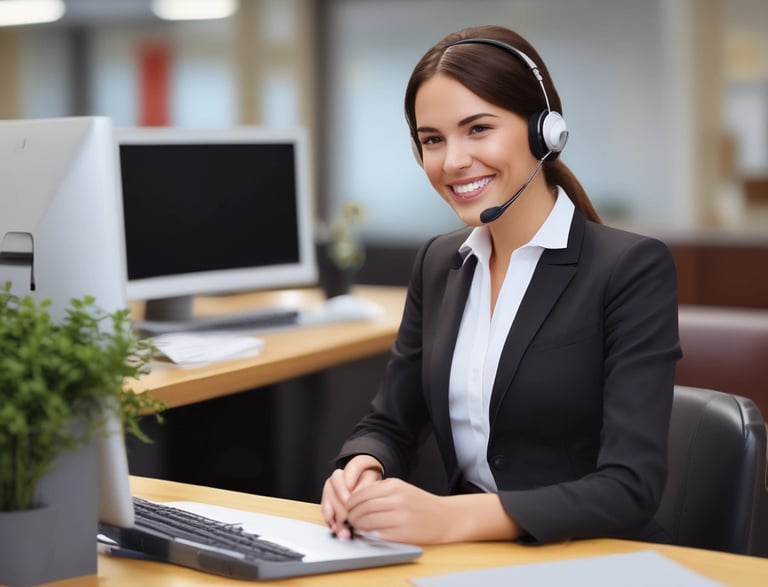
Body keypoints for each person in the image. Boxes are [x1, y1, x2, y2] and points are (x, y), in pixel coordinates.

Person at [321, 24, 682, 546]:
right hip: (472, 558)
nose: (453, 161)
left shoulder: (631, 269)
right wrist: (364, 466)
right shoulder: (439, 261)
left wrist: (455, 518)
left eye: (478, 129)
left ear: (545, 131)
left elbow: (631, 487)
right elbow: (391, 422)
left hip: (587, 556)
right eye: (432, 140)